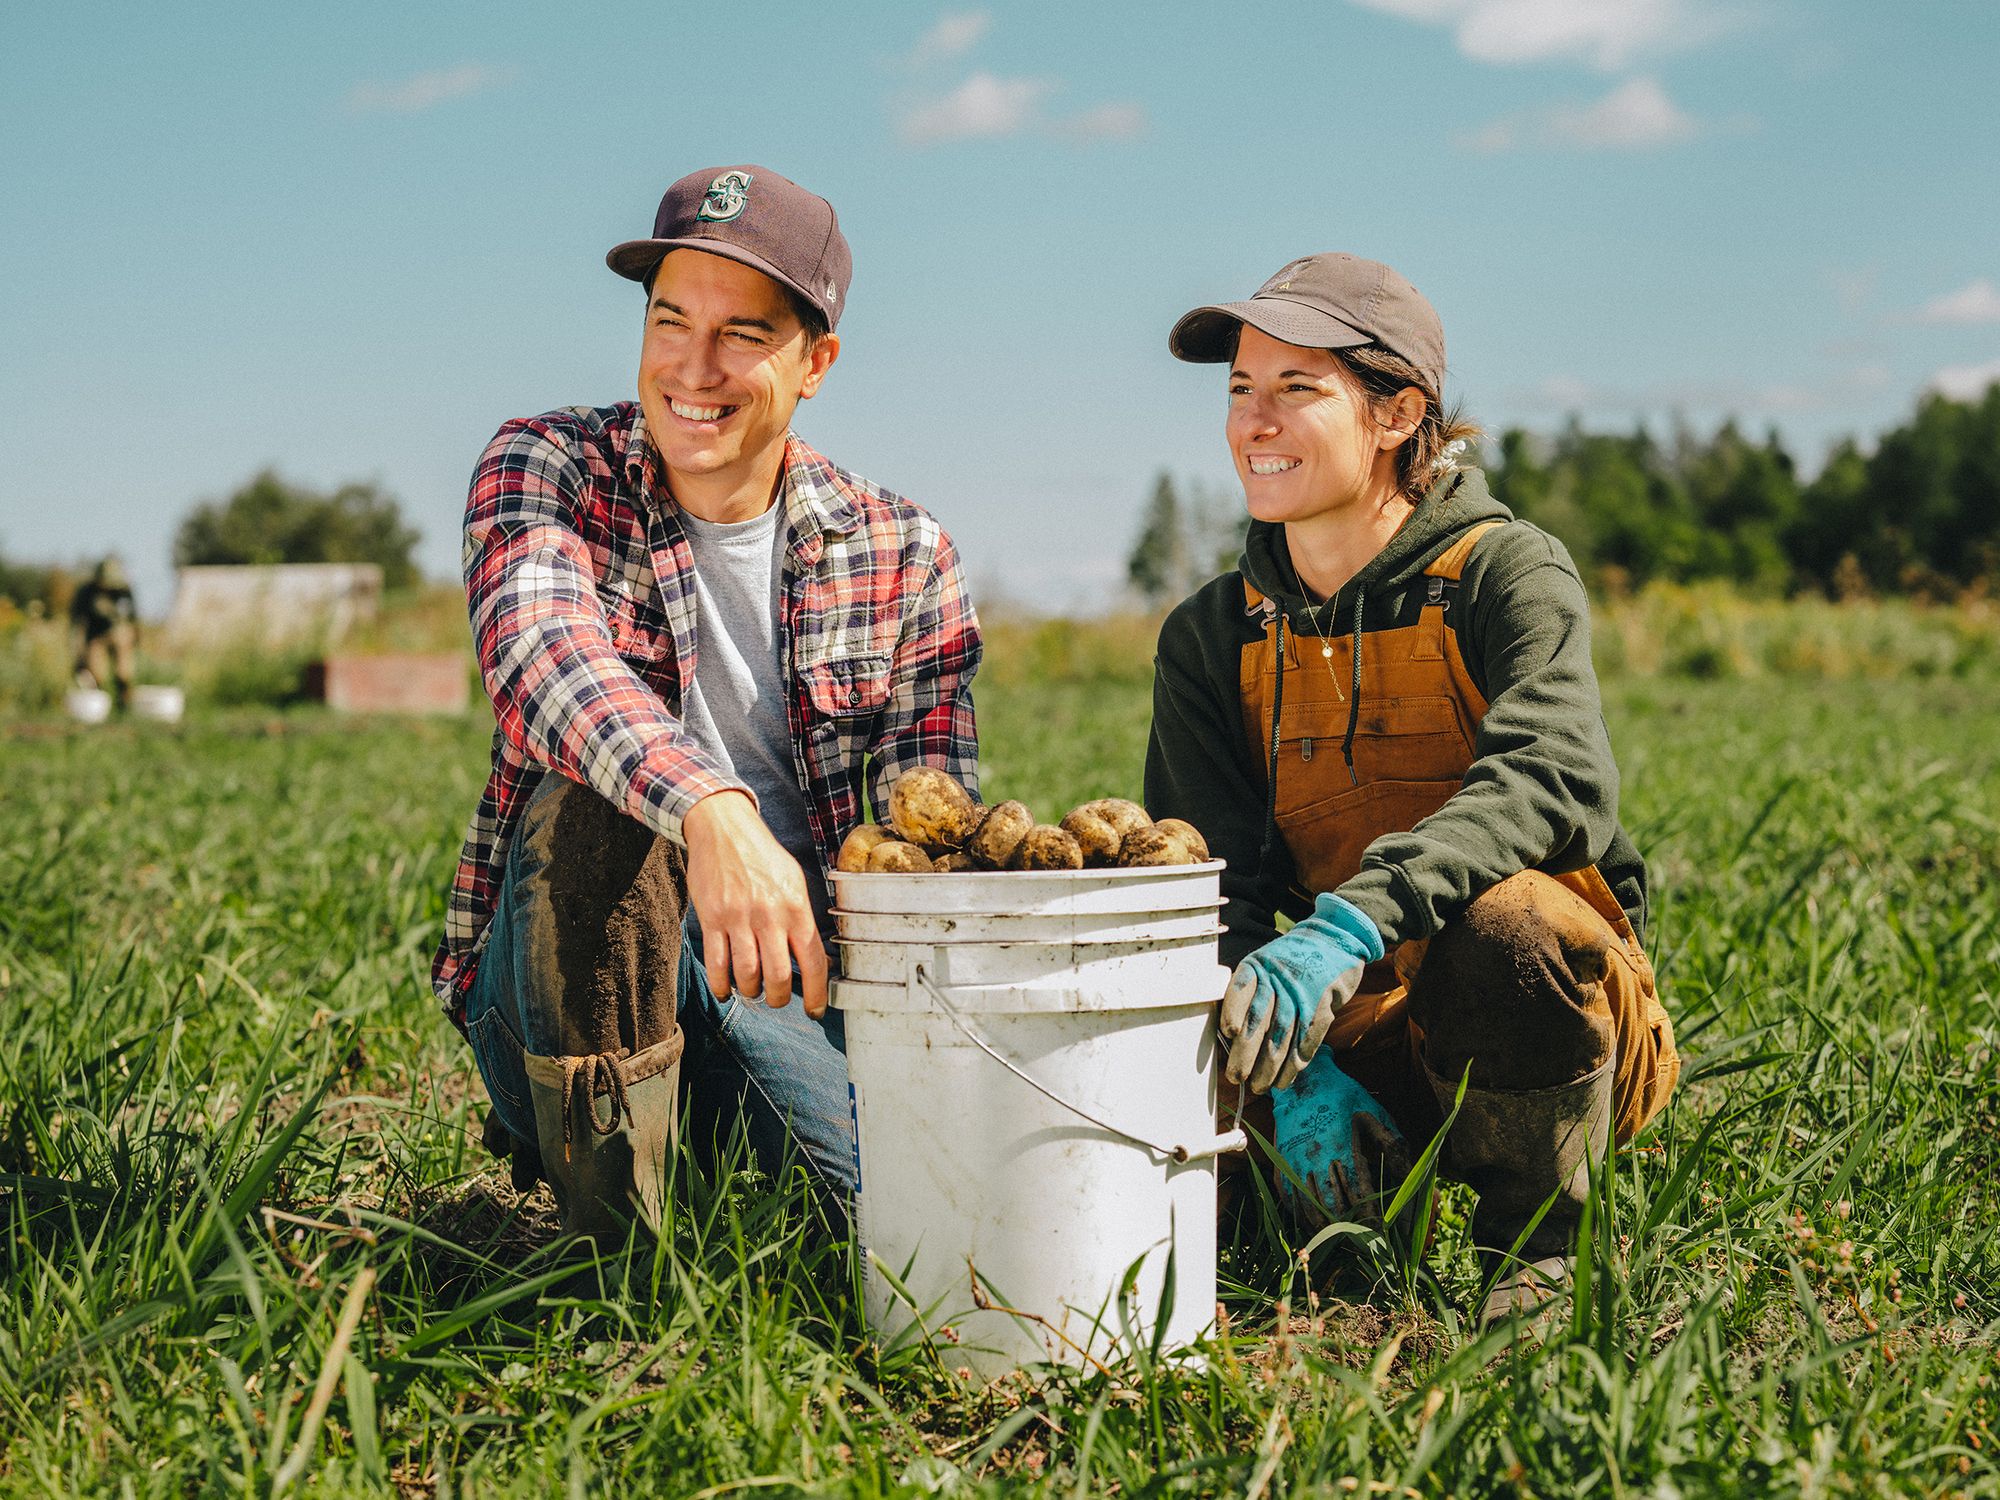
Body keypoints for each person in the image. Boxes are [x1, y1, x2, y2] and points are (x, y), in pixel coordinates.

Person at [434, 165, 982, 1235]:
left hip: (791, 979)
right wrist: (713, 814)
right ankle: (612, 1242)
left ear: (815, 361)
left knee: (893, 1227)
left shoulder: (905, 554)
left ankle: (713, 1150)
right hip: (561, 970)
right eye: (670, 319)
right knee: (593, 789)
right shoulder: (546, 465)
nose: (693, 366)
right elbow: (542, 664)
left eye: (743, 334)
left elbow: (928, 827)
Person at [1145, 253, 1678, 1325]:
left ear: (1396, 415)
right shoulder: (1211, 634)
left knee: (1511, 923)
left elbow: (1550, 775)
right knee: (1182, 1191)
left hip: (1534, 1006)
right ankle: (1345, 1225)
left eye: (1297, 390)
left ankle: (1538, 1248)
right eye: (1240, 391)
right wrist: (1271, 1055)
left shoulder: (1503, 572)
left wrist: (1349, 922)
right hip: (1344, 1018)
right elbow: (1210, 881)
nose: (1254, 422)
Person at [71, 556, 138, 707]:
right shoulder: (86, 593)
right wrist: (78, 656)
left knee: (123, 670)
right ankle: (99, 705)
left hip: (120, 634)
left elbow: (133, 619)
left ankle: (124, 701)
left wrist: (135, 639)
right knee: (95, 673)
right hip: (95, 636)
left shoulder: (124, 590)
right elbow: (78, 625)